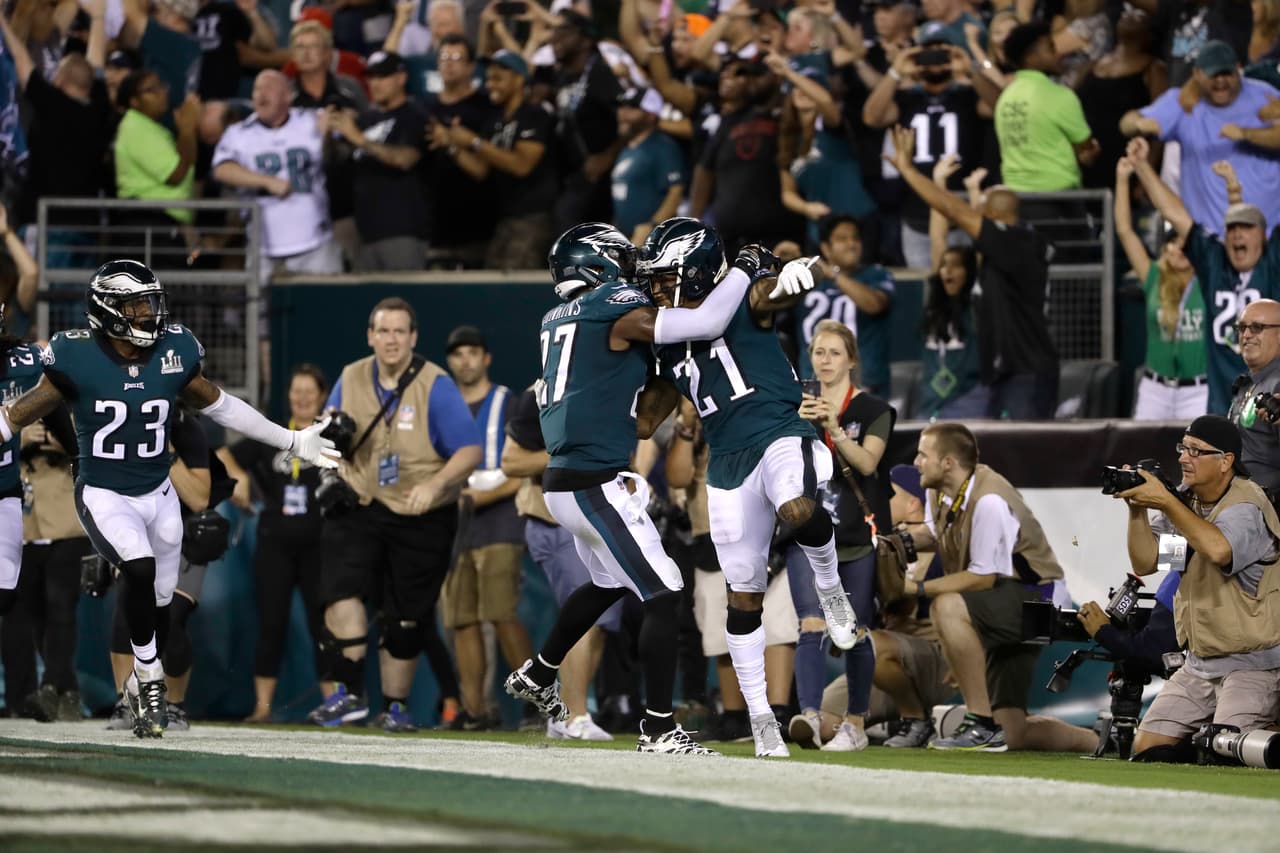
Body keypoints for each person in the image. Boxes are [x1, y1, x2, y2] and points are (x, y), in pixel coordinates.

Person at [0, 259, 339, 738]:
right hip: (104, 492)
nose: (148, 313)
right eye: (136, 305)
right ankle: (151, 680)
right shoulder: (74, 355)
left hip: (159, 494)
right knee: (137, 568)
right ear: (108, 310)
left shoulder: (172, 351)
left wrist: (292, 439)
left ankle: (139, 683)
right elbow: (13, 417)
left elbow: (224, 406)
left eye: (150, 302)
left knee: (159, 607)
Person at [505, 221, 787, 756]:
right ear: (599, 263)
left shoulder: (558, 316)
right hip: (592, 482)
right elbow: (706, 320)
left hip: (566, 481)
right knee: (664, 593)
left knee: (611, 583)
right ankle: (658, 728)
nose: (635, 269)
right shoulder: (612, 306)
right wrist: (744, 269)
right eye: (622, 258)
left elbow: (638, 418)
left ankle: (540, 672)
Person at [643, 217, 856, 758]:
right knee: (742, 596)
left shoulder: (739, 297)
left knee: (796, 506)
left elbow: (773, 292)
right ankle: (761, 719)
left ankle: (831, 588)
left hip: (780, 432)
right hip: (726, 462)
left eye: (666, 276)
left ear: (695, 272)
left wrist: (796, 277)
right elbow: (645, 422)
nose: (658, 288)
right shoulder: (666, 341)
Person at [308, 297, 480, 732]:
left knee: (405, 618)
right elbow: (326, 436)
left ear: (413, 337)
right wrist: (329, 437)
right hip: (360, 501)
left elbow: (470, 450)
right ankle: (349, 693)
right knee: (340, 591)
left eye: (400, 331)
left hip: (419, 510)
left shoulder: (436, 384)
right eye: (383, 331)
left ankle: (395, 707)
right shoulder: (350, 376)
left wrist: (436, 485)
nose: (391, 340)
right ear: (370, 336)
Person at [908, 423, 1096, 752]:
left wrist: (916, 589)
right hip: (1006, 598)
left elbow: (983, 577)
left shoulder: (989, 500)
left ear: (948, 463)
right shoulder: (938, 491)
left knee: (946, 605)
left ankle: (980, 723)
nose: (916, 462)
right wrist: (898, 542)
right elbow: (935, 533)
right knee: (1014, 732)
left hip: (1039, 599)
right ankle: (1099, 741)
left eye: (923, 455)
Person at [1119, 415, 1280, 762]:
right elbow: (1147, 561)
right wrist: (1137, 510)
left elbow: (1220, 550)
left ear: (1225, 461)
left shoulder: (1246, 505)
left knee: (1230, 752)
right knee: (1149, 749)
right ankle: (1207, 746)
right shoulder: (1187, 502)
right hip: (1200, 663)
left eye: (1196, 451)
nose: (1183, 458)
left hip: (1253, 665)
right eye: (1183, 448)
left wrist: (1167, 502)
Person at [884, 124, 1059, 419]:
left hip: (1026, 374)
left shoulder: (1015, 243)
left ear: (992, 217)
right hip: (1004, 376)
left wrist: (909, 170)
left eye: (980, 212)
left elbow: (954, 211)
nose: (973, 216)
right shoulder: (1001, 255)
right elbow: (943, 238)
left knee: (1023, 447)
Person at [785, 320, 895, 752]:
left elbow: (867, 464)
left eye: (834, 353)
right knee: (811, 623)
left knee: (852, 630)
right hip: (807, 533)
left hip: (852, 537)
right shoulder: (794, 408)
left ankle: (856, 722)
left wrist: (833, 428)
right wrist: (792, 428)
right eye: (818, 352)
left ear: (851, 360)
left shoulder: (873, 411)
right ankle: (811, 716)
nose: (825, 361)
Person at [666, 395, 798, 743]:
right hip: (710, 535)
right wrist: (686, 427)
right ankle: (735, 715)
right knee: (720, 630)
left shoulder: (756, 412)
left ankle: (778, 711)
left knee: (775, 624)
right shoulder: (695, 432)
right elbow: (677, 478)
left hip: (761, 530)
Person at [1126, 135, 1280, 414]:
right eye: (1231, 229)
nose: (1237, 235)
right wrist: (1142, 166)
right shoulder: (1214, 263)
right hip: (1222, 403)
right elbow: (1176, 215)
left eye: (1246, 228)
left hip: (1270, 402)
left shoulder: (1273, 264)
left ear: (1263, 236)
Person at [502, 384, 617, 740]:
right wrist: (574, 454)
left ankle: (563, 713)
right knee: (584, 621)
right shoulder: (540, 393)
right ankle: (574, 717)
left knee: (600, 622)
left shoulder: (610, 384)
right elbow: (511, 461)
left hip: (598, 518)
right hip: (555, 521)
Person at [220, 363, 332, 722]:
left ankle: (335, 706)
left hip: (319, 545)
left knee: (323, 625)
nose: (302, 398)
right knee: (271, 624)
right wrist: (239, 479)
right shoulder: (274, 436)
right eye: (297, 391)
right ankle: (262, 708)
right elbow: (224, 455)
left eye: (309, 392)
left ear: (322, 397)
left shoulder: (331, 438)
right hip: (275, 543)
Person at [440, 324, 533, 729]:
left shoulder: (508, 402)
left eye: (472, 353)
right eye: (458, 354)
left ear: (486, 358)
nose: (466, 361)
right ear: (450, 361)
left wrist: (480, 496)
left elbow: (522, 469)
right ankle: (475, 710)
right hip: (454, 525)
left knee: (501, 612)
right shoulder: (441, 405)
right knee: (461, 618)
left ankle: (537, 702)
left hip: (500, 523)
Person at [1121, 40, 1280, 235]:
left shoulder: (1264, 95)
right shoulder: (1183, 103)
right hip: (1209, 239)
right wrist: (1138, 124)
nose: (1220, 81)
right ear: (1197, 74)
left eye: (1226, 73)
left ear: (1238, 69)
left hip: (1270, 234)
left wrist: (1246, 134)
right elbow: (1126, 123)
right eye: (1213, 74)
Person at [212, 69, 343, 276]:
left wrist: (327, 135)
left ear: (287, 96)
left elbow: (338, 156)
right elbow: (222, 170)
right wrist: (266, 181)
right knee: (261, 299)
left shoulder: (311, 121)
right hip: (263, 248)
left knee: (326, 296)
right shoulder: (238, 133)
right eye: (257, 89)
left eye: (269, 88)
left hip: (316, 244)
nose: (261, 94)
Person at [435, 49, 556, 270]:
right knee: (492, 282)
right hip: (505, 219)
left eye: (498, 79)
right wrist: (452, 146)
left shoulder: (535, 115)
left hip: (532, 218)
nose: (490, 85)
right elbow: (481, 170)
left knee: (516, 286)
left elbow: (521, 166)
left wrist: (474, 142)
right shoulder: (495, 121)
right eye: (489, 79)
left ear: (519, 80)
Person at [1115, 154, 1208, 420]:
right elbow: (1124, 230)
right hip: (1155, 390)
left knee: (1196, 447)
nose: (1179, 249)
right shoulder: (1153, 276)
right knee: (1141, 447)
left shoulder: (1208, 280)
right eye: (1173, 243)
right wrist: (1122, 180)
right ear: (1165, 248)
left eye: (1185, 244)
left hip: (1197, 391)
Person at [323, 51, 430, 272]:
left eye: (382, 77)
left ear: (401, 78)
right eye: (371, 77)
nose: (375, 84)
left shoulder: (414, 116)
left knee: (403, 293)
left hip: (401, 231)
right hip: (365, 233)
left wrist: (359, 139)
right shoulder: (365, 120)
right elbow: (334, 159)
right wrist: (327, 133)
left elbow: (405, 159)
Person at [791, 215, 895, 397]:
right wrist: (778, 266)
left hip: (864, 388)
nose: (851, 244)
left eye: (855, 238)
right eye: (842, 239)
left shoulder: (876, 275)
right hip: (813, 390)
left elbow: (874, 304)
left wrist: (833, 274)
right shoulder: (808, 280)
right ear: (825, 247)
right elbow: (767, 305)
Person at [993, 22, 1101, 194]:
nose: (1058, 53)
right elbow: (1085, 148)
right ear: (1030, 57)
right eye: (1051, 48)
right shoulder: (1059, 96)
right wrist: (1091, 149)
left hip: (1015, 197)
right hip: (1059, 198)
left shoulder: (1005, 98)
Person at [917, 155, 984, 420]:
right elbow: (937, 239)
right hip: (929, 407)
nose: (947, 271)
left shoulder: (976, 301)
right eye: (944, 266)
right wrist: (938, 182)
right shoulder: (935, 303)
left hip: (968, 404)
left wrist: (974, 192)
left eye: (956, 266)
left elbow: (981, 240)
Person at [113, 69, 200, 263]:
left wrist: (187, 130)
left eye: (161, 86)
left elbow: (188, 161)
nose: (162, 93)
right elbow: (175, 175)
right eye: (152, 90)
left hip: (162, 226)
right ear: (134, 101)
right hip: (148, 227)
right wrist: (186, 129)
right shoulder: (135, 127)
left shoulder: (153, 128)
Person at [610, 87, 684, 246]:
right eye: (621, 107)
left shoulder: (663, 146)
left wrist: (652, 227)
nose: (622, 113)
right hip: (626, 239)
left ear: (651, 115)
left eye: (632, 108)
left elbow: (675, 192)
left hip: (653, 242)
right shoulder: (627, 149)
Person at [1227, 299, 1280, 493]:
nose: (1246, 335)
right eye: (1241, 328)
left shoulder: (1277, 383)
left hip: (1264, 500)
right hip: (1236, 493)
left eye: (1257, 327)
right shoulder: (1247, 383)